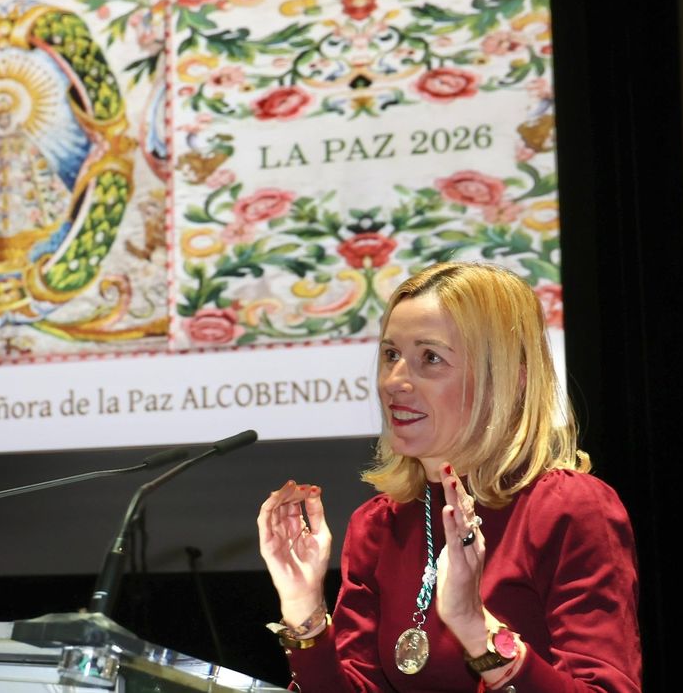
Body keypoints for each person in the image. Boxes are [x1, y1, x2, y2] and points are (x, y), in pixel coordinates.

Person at [257, 262, 641, 691]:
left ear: (508, 380)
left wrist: (477, 631)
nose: (394, 381)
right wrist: (303, 611)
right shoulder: (379, 525)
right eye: (390, 355)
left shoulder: (568, 509)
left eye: (430, 358)